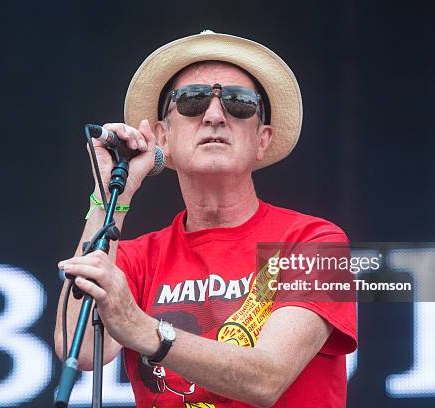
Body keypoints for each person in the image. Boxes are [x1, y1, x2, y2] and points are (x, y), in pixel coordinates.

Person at [55, 31, 357, 408]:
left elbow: (267, 378)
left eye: (239, 103)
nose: (215, 115)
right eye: (193, 101)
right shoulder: (135, 258)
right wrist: (109, 194)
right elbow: (80, 351)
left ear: (262, 139)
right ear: (162, 137)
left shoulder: (315, 240)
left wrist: (142, 328)